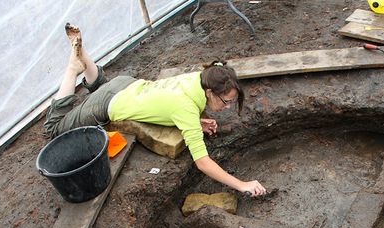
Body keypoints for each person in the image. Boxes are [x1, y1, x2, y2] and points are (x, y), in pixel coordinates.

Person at [44, 23, 266, 196]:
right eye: (225, 101)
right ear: (209, 91)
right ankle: (74, 68)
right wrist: (242, 185)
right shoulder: (186, 107)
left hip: (126, 85)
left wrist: (196, 123)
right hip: (109, 101)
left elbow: (169, 104)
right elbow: (203, 163)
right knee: (54, 129)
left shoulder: (199, 78)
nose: (227, 107)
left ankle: (85, 59)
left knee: (102, 88)